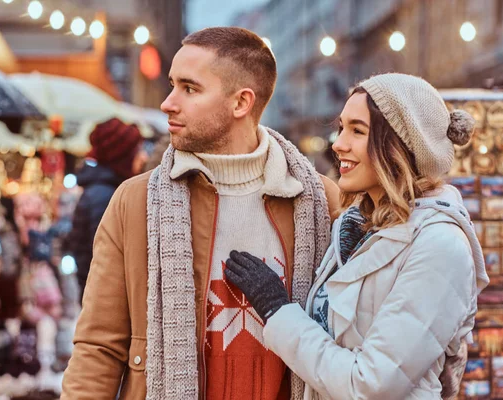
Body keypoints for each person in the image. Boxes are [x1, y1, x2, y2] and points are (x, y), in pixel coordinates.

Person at [61, 27, 340, 400]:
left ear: (241, 103)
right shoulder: (135, 201)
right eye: (172, 84)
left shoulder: (321, 202)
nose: (168, 103)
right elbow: (99, 347)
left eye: (189, 89)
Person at [225, 73, 490, 399]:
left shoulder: (440, 247)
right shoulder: (354, 228)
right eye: (341, 128)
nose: (338, 144)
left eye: (357, 131)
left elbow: (367, 384)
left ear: (399, 146)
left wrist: (277, 310)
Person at [67, 118, 147, 301]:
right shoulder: (105, 196)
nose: (143, 157)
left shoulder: (105, 190)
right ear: (122, 156)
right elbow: (105, 261)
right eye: (137, 150)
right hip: (105, 302)